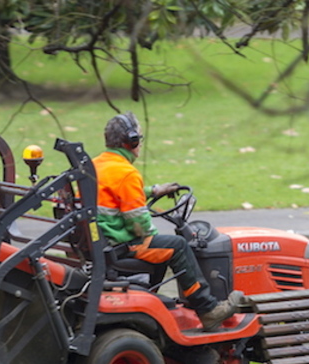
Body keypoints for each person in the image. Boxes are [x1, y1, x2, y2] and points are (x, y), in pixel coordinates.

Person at [92, 111, 242, 331]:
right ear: (131, 141)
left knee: (166, 245)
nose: (139, 144)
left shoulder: (97, 166)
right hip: (122, 246)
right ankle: (208, 309)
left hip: (103, 242)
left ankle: (155, 296)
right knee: (178, 246)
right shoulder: (126, 173)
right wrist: (152, 231)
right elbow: (140, 226)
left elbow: (116, 194)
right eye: (138, 139)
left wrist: (154, 191)